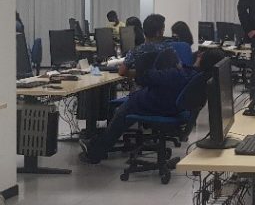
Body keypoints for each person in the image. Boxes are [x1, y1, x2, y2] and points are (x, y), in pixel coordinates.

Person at [81, 48, 225, 164]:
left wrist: (144, 64)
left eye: (201, 55)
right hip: (170, 106)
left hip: (153, 105)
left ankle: (95, 152)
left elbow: (146, 78)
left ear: (204, 59)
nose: (198, 55)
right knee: (125, 110)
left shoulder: (179, 75)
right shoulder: (199, 76)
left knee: (121, 113)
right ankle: (99, 142)